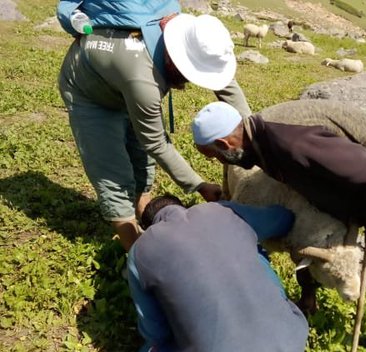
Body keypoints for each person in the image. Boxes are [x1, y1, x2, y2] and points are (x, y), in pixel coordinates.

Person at [190, 99, 366, 352]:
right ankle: (308, 298)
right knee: (306, 231)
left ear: (225, 144)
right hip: (353, 186)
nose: (216, 162)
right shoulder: (259, 138)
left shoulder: (289, 142)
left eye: (213, 156)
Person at [57, 11, 250, 248]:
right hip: (90, 93)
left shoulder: (188, 35)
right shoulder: (143, 81)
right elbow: (157, 144)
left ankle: (145, 213)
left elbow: (225, 84)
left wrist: (255, 131)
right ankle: (136, 253)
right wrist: (199, 185)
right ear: (180, 66)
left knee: (141, 156)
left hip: (124, 79)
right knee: (113, 171)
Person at [127, 194, 308, 352]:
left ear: (148, 226)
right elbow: (283, 218)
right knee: (255, 251)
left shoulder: (139, 252)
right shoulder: (221, 210)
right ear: (183, 205)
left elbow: (155, 334)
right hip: (291, 344)